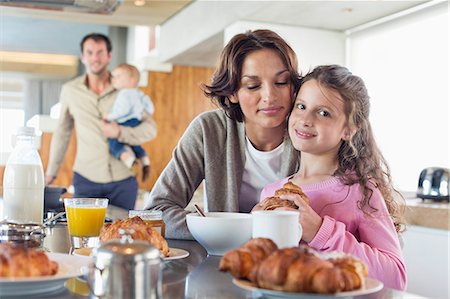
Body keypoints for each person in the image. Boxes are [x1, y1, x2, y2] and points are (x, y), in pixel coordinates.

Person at [257, 65, 406, 290]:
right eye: (301, 106)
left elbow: (396, 278)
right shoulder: (270, 194)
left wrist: (321, 232)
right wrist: (252, 233)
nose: (305, 119)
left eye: (323, 112)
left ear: (349, 129)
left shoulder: (361, 190)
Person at [144, 29, 301, 239]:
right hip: (222, 261)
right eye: (253, 86)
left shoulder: (309, 132)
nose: (269, 96)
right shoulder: (208, 130)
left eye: (281, 82)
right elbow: (156, 212)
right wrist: (235, 229)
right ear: (232, 93)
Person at [46, 33, 157, 210]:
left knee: (122, 235)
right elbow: (62, 132)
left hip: (123, 181)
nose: (95, 58)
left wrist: (120, 133)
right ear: (83, 57)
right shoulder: (70, 91)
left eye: (100, 52)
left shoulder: (126, 88)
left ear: (109, 56)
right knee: (83, 234)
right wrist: (51, 172)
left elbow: (151, 129)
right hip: (86, 179)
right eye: (89, 53)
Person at [104, 63, 154, 181]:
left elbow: (121, 111)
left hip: (124, 121)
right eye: (113, 76)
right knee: (134, 143)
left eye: (118, 76)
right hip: (136, 120)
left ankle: (130, 161)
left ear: (132, 80)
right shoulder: (139, 93)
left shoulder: (124, 93)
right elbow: (150, 108)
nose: (114, 79)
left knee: (114, 142)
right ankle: (145, 160)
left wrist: (109, 116)